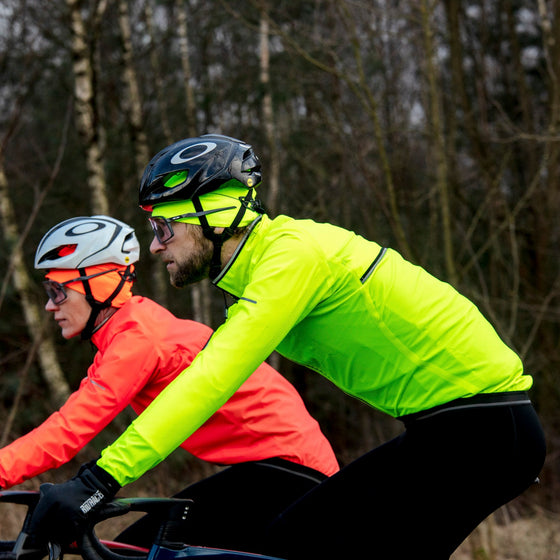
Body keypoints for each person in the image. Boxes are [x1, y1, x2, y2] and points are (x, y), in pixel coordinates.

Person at [29, 135, 546, 559]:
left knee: (290, 549)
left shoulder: (289, 259)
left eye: (163, 226)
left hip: (480, 430)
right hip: (470, 430)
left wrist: (99, 479)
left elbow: (210, 380)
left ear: (212, 215)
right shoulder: (259, 274)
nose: (156, 244)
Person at [11, 214, 338, 552]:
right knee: (133, 549)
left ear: (100, 285)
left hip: (291, 472)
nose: (50, 305)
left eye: (58, 291)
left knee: (133, 550)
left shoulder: (139, 340)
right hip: (281, 469)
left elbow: (65, 433)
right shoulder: (130, 333)